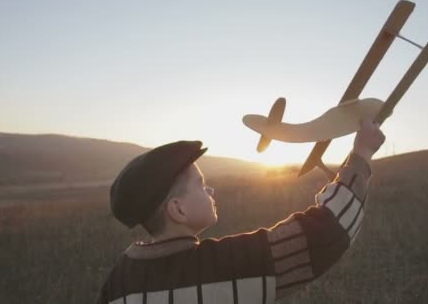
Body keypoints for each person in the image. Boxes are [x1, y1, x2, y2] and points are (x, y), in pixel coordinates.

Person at [97, 119, 385, 303]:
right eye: (201, 185)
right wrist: (361, 155)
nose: (210, 191)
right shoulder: (222, 266)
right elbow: (325, 234)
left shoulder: (118, 282)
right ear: (178, 210)